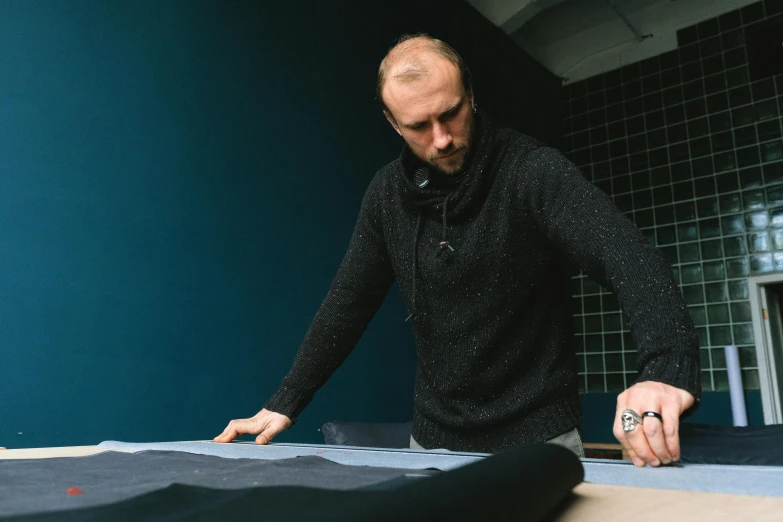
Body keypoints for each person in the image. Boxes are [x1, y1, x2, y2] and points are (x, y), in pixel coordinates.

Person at [215, 34, 700, 467]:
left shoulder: (533, 172)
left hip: (539, 441)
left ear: (471, 94)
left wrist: (664, 369)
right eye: (418, 126)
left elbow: (630, 260)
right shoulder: (387, 195)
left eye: (450, 114)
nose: (441, 139)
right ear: (392, 122)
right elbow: (348, 303)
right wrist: (285, 401)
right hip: (432, 442)